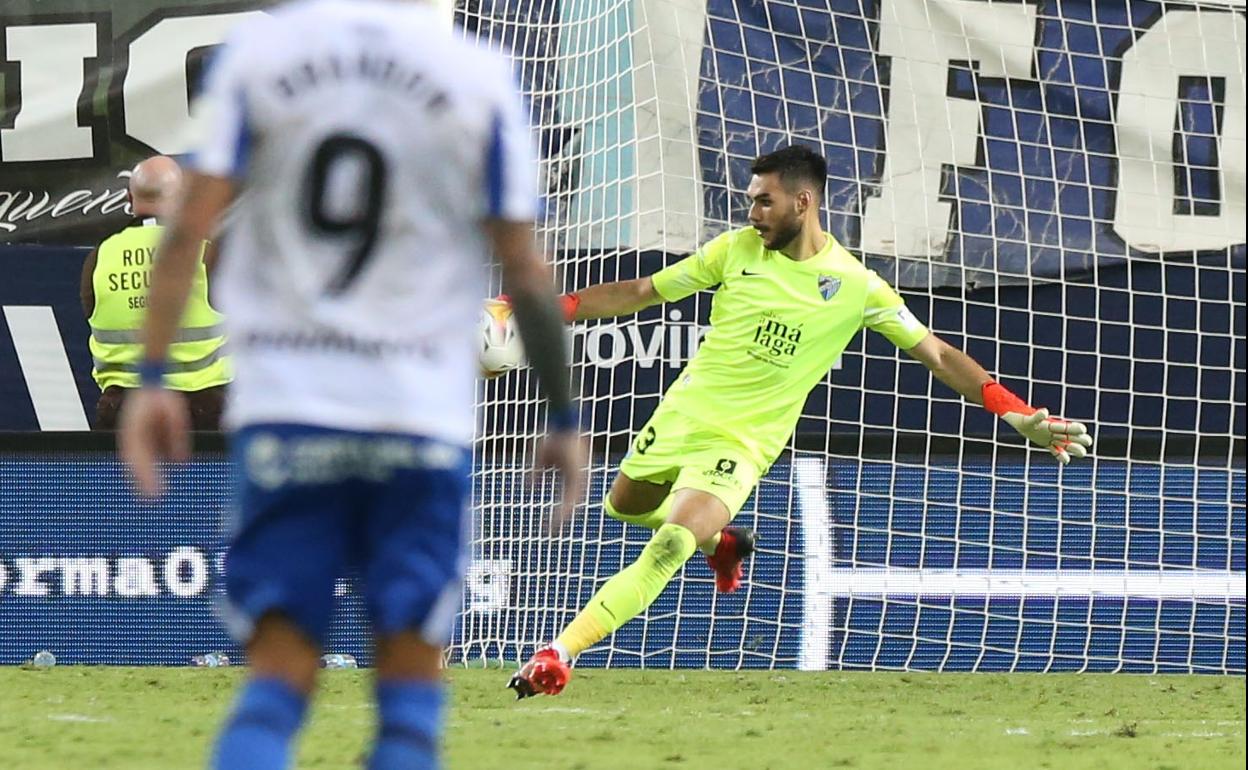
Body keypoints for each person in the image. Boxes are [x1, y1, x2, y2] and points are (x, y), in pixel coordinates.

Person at [117, 2, 584, 768]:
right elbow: (527, 270)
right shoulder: (476, 72)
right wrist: (562, 415)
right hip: (419, 420)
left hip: (290, 412)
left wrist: (155, 378)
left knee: (274, 687)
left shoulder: (262, 56)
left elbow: (187, 230)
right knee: (408, 703)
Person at [507, 144, 1093, 699]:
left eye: (764, 200)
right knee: (624, 506)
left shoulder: (856, 286)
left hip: (742, 441)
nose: (752, 211)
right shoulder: (734, 251)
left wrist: (1016, 413)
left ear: (802, 202)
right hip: (684, 413)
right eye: (751, 199)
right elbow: (642, 290)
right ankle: (723, 541)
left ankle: (559, 653)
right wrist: (551, 306)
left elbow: (937, 353)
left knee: (669, 545)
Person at [80, 155, 230, 430]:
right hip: (202, 414)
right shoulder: (206, 251)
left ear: (128, 199)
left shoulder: (99, 258)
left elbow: (91, 314)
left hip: (124, 414)